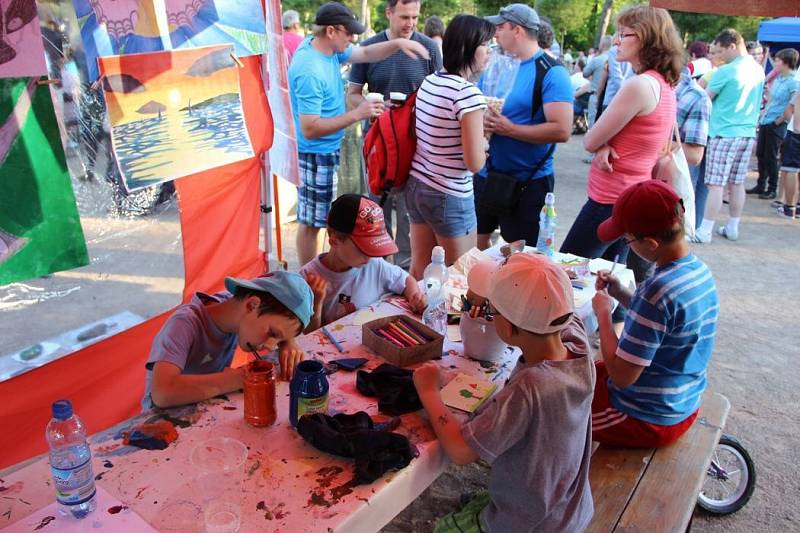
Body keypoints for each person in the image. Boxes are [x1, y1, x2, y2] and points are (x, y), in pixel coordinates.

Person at [413, 253, 594, 531]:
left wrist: (428, 392)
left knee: (444, 528)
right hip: (569, 507)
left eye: (492, 311)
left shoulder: (530, 388)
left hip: (533, 524)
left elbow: (461, 452)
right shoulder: (577, 343)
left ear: (508, 326)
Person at [289, 2, 429, 267]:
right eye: (348, 33)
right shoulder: (310, 69)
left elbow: (365, 52)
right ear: (331, 31)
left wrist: (399, 44)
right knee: (312, 222)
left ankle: (313, 273)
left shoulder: (326, 48)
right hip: (315, 152)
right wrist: (358, 113)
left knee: (316, 218)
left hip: (325, 149)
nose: (352, 38)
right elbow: (310, 127)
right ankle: (309, 278)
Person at [591, 180, 719, 448]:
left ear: (650, 243)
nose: (626, 243)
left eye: (627, 239)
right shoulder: (697, 271)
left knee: (559, 413)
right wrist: (621, 294)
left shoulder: (656, 291)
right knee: (580, 373)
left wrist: (603, 316)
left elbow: (622, 378)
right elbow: (665, 323)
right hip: (682, 399)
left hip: (646, 418)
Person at [560, 6, 681, 268]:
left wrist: (599, 145)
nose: (616, 41)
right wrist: (604, 145)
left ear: (646, 38)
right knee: (610, 279)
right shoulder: (664, 84)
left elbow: (589, 140)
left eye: (624, 34)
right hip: (630, 197)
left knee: (566, 270)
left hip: (611, 199)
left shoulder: (639, 85)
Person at [348, 0, 442, 271]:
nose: (409, 23)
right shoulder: (370, 48)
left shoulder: (429, 48)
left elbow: (439, 93)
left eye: (414, 17)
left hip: (415, 145)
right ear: (389, 13)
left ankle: (403, 272)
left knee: (410, 214)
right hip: (378, 144)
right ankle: (377, 269)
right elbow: (352, 95)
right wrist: (370, 107)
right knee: (376, 210)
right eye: (403, 16)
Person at [474, 4, 572, 250]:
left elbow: (562, 130)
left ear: (517, 30)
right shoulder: (494, 64)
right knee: (474, 247)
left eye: (500, 27)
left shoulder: (552, 72)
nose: (495, 33)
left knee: (521, 255)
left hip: (528, 182)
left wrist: (510, 129)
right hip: (485, 174)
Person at [143, 272, 314, 409]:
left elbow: (280, 319)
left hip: (205, 407)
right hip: (162, 422)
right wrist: (238, 379)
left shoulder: (234, 307)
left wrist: (287, 342)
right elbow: (163, 393)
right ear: (252, 305)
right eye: (273, 333)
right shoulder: (184, 324)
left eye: (277, 339)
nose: (270, 347)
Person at [405, 15, 493, 278]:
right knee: (460, 277)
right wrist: (484, 144)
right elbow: (474, 163)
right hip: (449, 194)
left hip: (418, 185)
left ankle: (410, 319)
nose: (490, 52)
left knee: (420, 271)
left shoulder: (430, 82)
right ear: (468, 47)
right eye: (487, 45)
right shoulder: (468, 94)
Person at [300, 194, 427, 330]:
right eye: (363, 250)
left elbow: (405, 279)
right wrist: (316, 304)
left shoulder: (374, 264)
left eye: (373, 248)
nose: (369, 256)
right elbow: (309, 335)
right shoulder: (307, 277)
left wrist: (415, 296)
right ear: (334, 241)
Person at [695, 29, 765, 243]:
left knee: (715, 184)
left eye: (720, 51)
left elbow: (705, 98)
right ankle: (733, 226)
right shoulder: (757, 69)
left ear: (732, 46)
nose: (718, 56)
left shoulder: (726, 71)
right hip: (747, 133)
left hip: (723, 132)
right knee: (737, 183)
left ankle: (705, 229)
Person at [750, 48, 799, 200]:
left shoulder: (793, 83)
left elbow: (792, 105)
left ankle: (772, 188)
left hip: (777, 123)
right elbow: (771, 99)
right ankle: (760, 184)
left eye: (778, 60)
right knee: (761, 154)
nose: (775, 63)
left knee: (771, 156)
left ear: (786, 63)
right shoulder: (778, 79)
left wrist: (779, 121)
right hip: (767, 119)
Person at [676, 64, 712, 228]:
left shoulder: (696, 96)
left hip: (710, 136)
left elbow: (694, 155)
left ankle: (693, 226)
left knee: (694, 182)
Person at [777, 85, 800, 219]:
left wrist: (796, 127)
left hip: (796, 132)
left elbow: (792, 107)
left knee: (792, 169)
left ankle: (789, 208)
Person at [583, 35, 613, 129]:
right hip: (611, 98)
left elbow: (585, 73)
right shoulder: (616, 59)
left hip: (596, 95)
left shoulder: (597, 60)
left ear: (602, 45)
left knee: (593, 125)